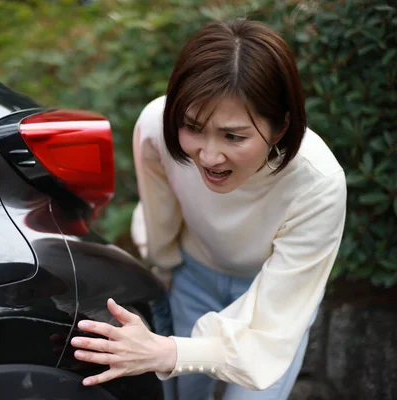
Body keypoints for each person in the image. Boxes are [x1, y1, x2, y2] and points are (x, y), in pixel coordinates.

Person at [70, 18, 347, 400]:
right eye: (193, 127)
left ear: (280, 128)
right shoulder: (156, 127)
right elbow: (160, 211)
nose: (209, 155)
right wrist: (161, 271)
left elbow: (268, 332)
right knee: (184, 393)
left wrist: (167, 351)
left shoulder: (318, 183)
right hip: (192, 277)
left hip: (270, 295)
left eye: (234, 136)